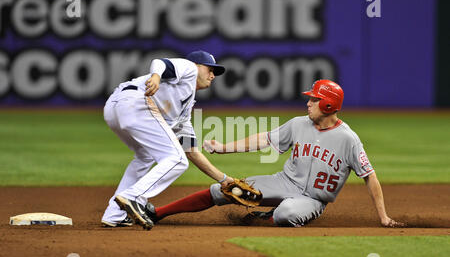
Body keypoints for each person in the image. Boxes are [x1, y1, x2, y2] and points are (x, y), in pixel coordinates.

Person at [147, 79, 405, 228]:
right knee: (227, 190)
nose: (309, 103)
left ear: (328, 104)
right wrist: (224, 148)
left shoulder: (348, 139)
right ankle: (157, 213)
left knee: (286, 214)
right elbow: (263, 139)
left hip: (313, 198)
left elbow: (369, 175)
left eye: (314, 100)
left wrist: (382, 217)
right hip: (284, 182)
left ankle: (270, 215)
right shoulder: (298, 124)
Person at [101, 50, 234, 229]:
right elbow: (161, 62)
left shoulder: (184, 110)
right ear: (197, 66)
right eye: (210, 69)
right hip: (136, 101)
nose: (212, 75)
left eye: (214, 73)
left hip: (115, 109)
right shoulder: (189, 68)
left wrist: (224, 179)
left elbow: (191, 150)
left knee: (145, 156)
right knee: (177, 160)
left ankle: (114, 214)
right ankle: (133, 197)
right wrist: (156, 77)